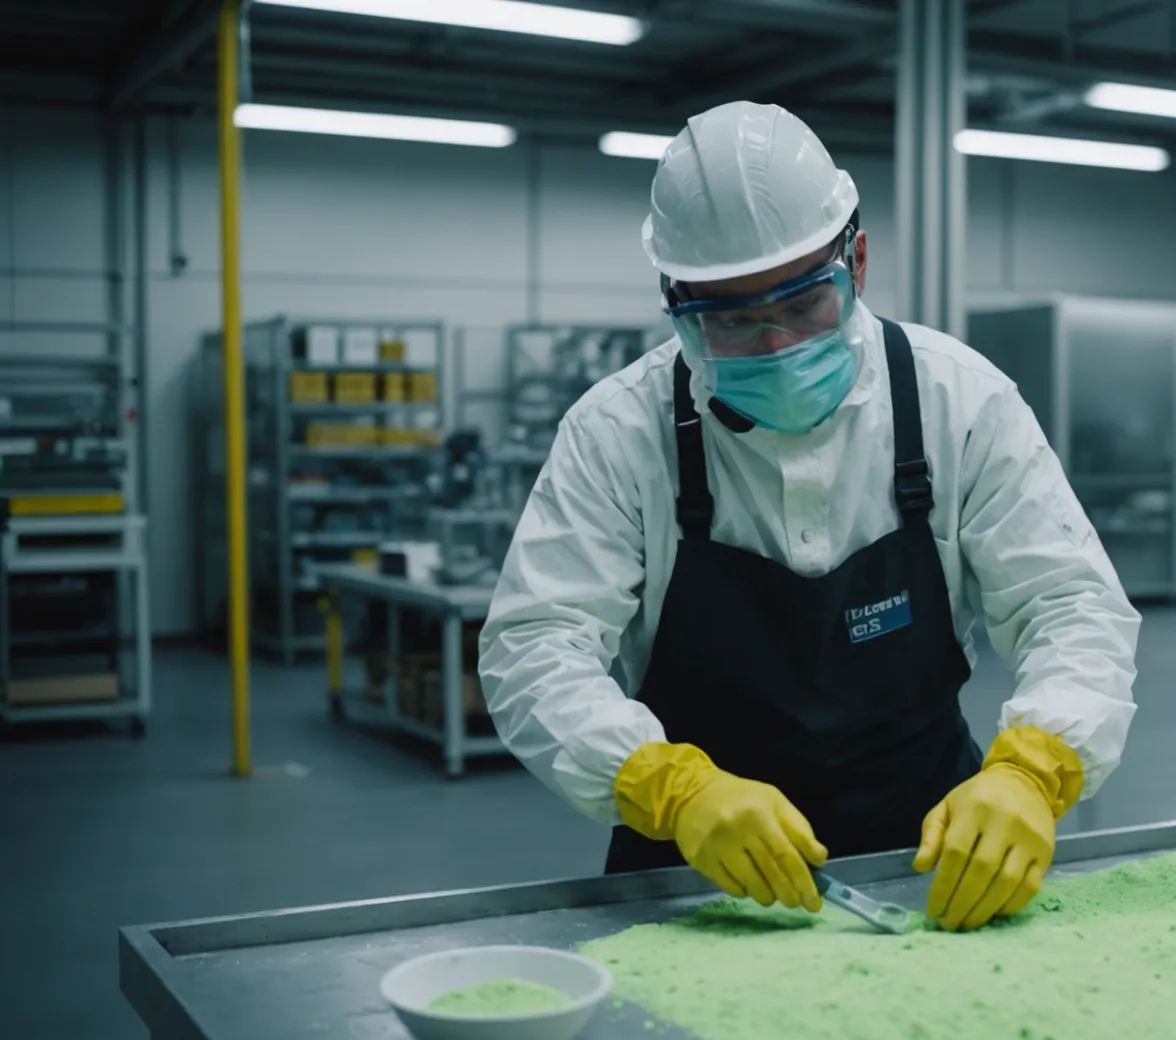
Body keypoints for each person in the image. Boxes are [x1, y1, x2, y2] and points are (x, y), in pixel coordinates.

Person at [478, 102, 1140, 932]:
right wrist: (667, 786)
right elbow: (535, 643)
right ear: (675, 304)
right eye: (731, 320)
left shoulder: (959, 401)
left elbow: (1070, 604)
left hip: (932, 859)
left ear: (855, 261)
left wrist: (1033, 768)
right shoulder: (618, 430)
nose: (776, 346)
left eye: (801, 304)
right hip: (695, 872)